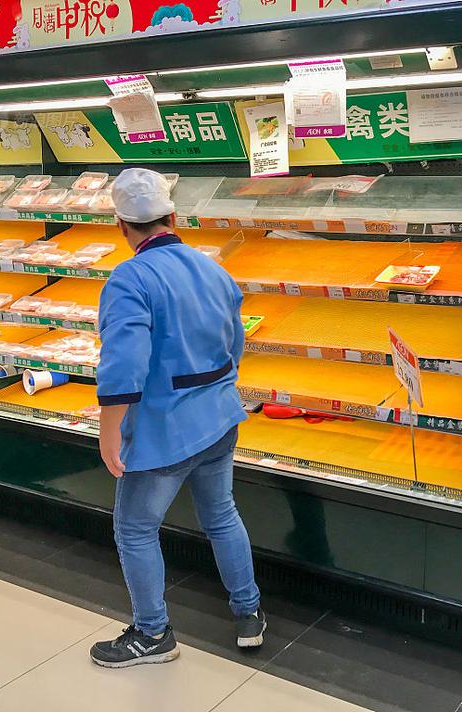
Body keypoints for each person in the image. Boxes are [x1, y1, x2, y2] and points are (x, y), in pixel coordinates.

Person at [89, 168, 265, 669]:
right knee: (222, 515)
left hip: (164, 431)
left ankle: (152, 633)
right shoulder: (213, 269)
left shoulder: (130, 278)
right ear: (173, 217)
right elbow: (234, 343)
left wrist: (108, 431)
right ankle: (249, 613)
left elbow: (124, 362)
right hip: (220, 418)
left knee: (135, 530)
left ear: (122, 226)